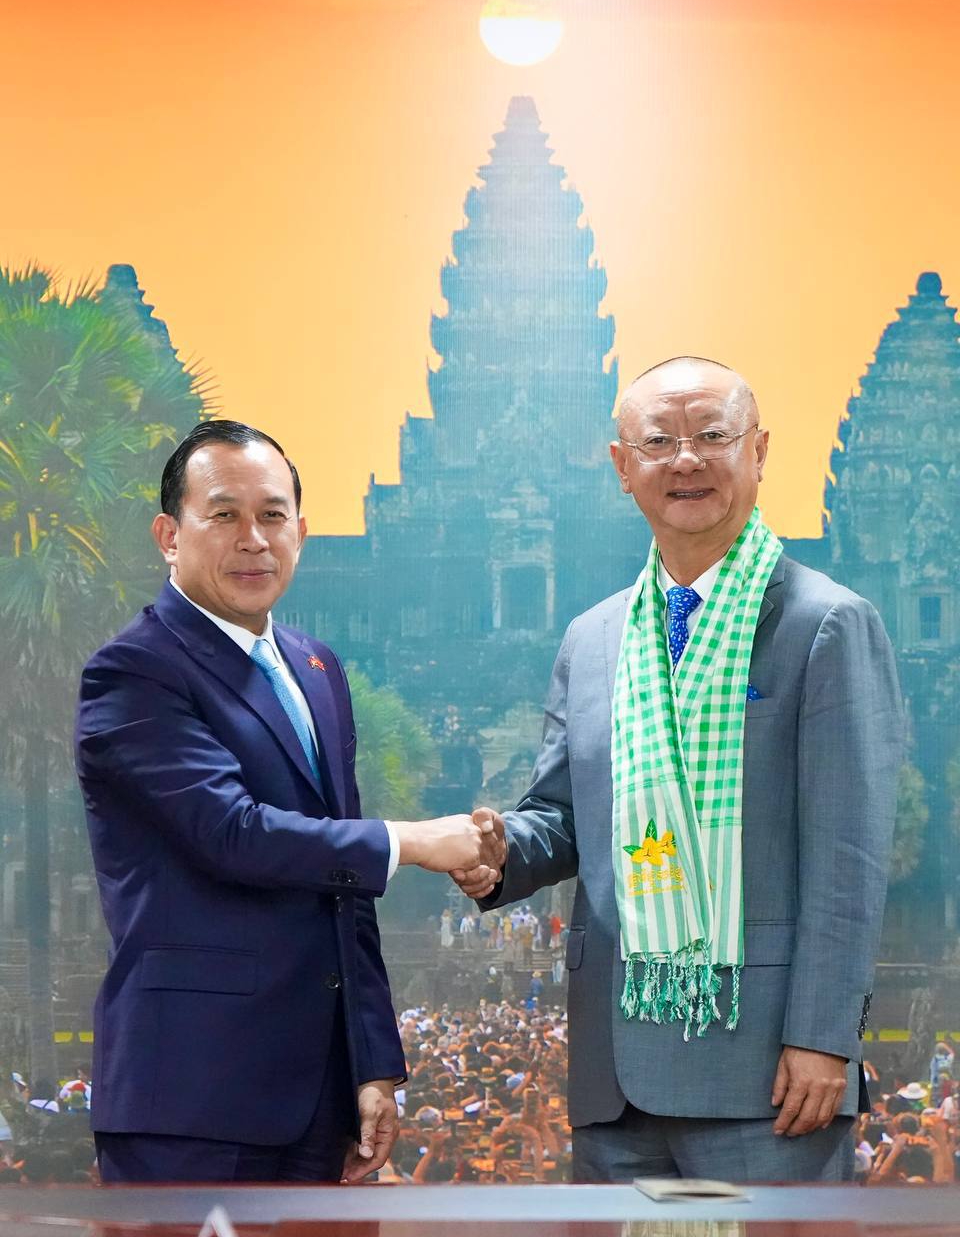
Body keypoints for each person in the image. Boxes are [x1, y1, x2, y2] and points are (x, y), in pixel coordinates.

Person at [453, 358, 902, 1182]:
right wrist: (497, 850)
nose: (686, 460)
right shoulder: (594, 639)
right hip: (614, 1078)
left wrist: (823, 1035)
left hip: (768, 1076)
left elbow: (849, 857)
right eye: (658, 442)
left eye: (712, 436)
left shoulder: (826, 624)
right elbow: (564, 817)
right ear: (623, 467)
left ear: (758, 451)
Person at [75, 420, 500, 1184]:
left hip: (320, 1103)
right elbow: (232, 833)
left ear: (300, 533)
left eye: (272, 515)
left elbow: (343, 894)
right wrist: (411, 842)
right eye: (224, 514)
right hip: (191, 1096)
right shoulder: (134, 671)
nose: (253, 539)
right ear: (170, 535)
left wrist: (372, 1065)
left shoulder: (315, 669)